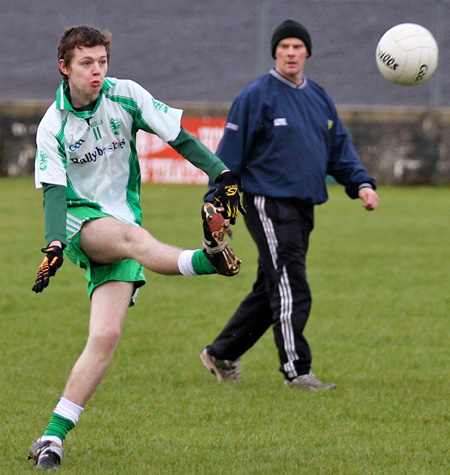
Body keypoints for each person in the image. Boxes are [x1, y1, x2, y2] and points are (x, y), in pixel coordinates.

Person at [28, 25, 243, 470]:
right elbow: (51, 191)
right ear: (64, 67)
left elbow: (177, 135)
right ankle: (207, 260)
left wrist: (220, 174)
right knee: (133, 240)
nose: (97, 71)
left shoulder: (125, 95)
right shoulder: (53, 124)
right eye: (86, 63)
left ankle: (52, 437)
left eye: (102, 61)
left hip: (123, 220)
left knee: (105, 337)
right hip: (78, 221)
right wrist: (52, 242)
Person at [200, 19, 379, 390]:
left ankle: (221, 353)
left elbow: (339, 149)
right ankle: (297, 370)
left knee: (272, 286)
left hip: (303, 206)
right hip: (268, 203)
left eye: (298, 47)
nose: (291, 53)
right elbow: (229, 157)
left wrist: (361, 183)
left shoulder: (318, 98)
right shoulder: (255, 96)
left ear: (307, 53)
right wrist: (219, 207)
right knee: (292, 285)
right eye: (284, 47)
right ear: (275, 53)